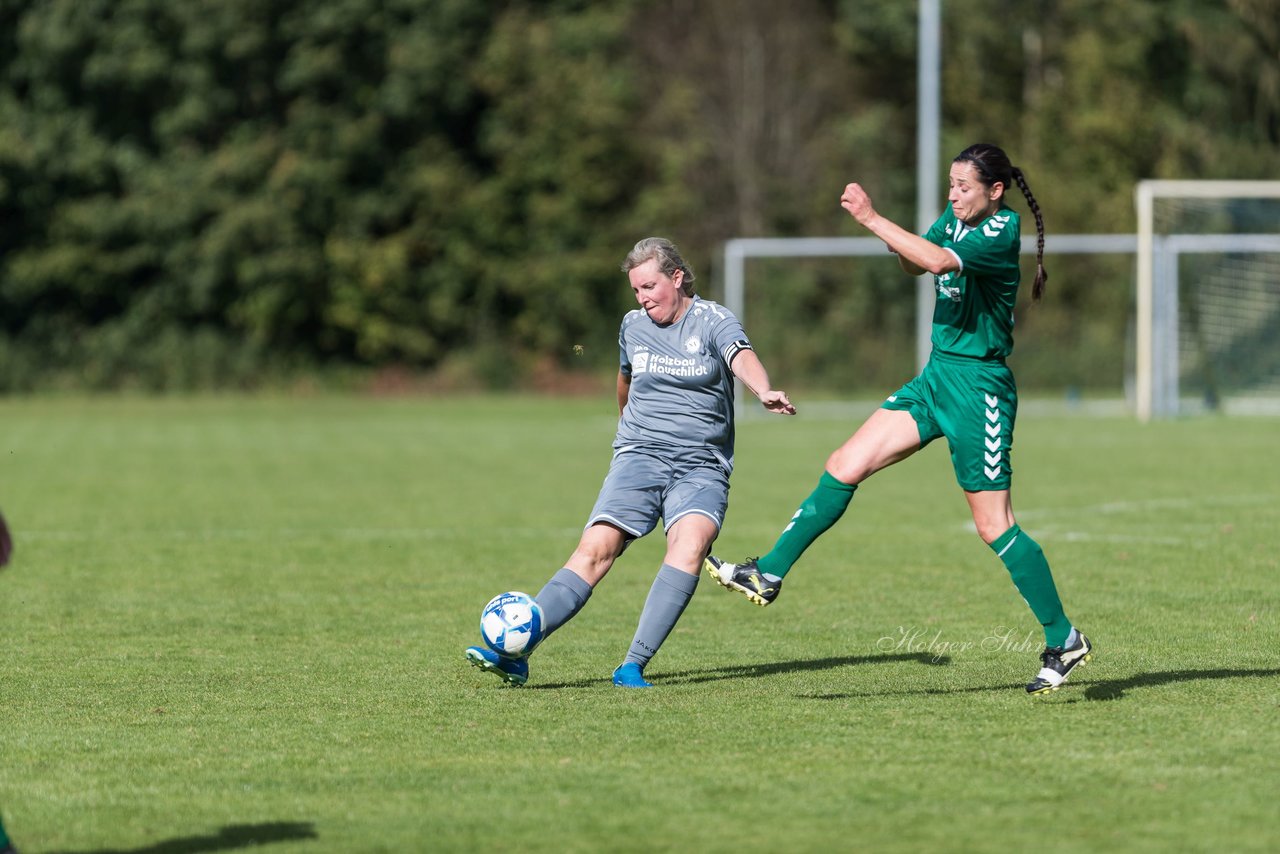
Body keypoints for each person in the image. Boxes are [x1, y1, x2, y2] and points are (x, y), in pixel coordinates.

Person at [705, 144, 1092, 695]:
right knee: (845, 463)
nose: (953, 195)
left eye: (963, 186)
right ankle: (768, 572)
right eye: (950, 185)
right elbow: (917, 259)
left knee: (994, 525)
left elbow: (934, 261)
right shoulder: (955, 220)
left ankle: (1064, 639)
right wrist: (889, 234)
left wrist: (872, 217)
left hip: (979, 388)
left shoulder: (1000, 231)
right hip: (936, 377)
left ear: (995, 190)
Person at [465, 237, 796, 687]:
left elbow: (741, 357)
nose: (642, 298)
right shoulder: (632, 326)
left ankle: (631, 666)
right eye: (636, 290)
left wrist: (763, 391)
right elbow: (626, 380)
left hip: (701, 466)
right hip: (639, 456)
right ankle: (518, 652)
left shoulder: (713, 320)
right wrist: (628, 435)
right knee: (595, 550)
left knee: (691, 545)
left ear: (676, 278)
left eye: (649, 287)